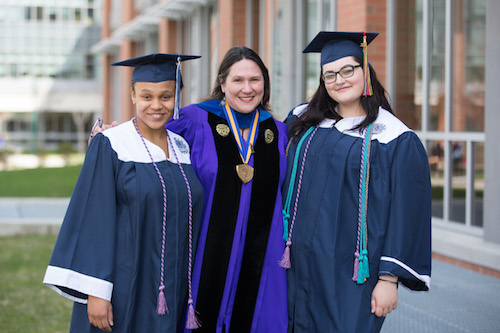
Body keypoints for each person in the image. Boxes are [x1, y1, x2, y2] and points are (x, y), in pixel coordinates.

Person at [281, 32, 432, 332]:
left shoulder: (394, 138)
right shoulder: (304, 124)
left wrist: (389, 280)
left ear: (366, 71)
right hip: (293, 267)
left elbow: (407, 213)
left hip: (353, 274)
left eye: (348, 70)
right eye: (330, 74)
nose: (340, 79)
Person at [43, 53, 204, 332]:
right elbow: (94, 217)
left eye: (165, 96)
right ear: (132, 95)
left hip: (171, 282)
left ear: (177, 96)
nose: (156, 105)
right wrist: (96, 291)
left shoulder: (182, 147)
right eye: (146, 96)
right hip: (125, 282)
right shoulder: (112, 144)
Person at [167, 46, 288, 333]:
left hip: (263, 259)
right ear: (222, 84)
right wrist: (113, 135)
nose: (247, 88)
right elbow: (152, 133)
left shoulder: (278, 131)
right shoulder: (195, 120)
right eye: (238, 80)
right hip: (206, 252)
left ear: (265, 85)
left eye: (255, 80)